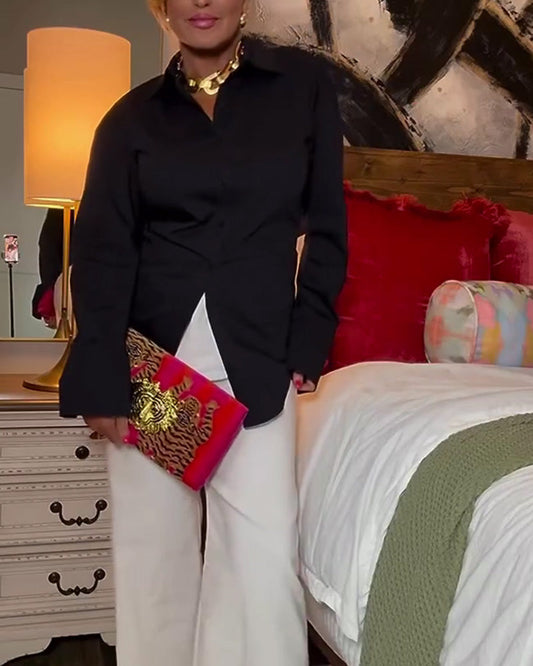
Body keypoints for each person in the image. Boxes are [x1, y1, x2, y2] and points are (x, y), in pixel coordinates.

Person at [59, 0, 347, 664]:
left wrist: (309, 339)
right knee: (155, 570)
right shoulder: (127, 120)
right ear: (162, 5)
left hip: (258, 363)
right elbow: (101, 254)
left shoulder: (302, 90)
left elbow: (328, 229)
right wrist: (100, 377)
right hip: (153, 375)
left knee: (262, 573)